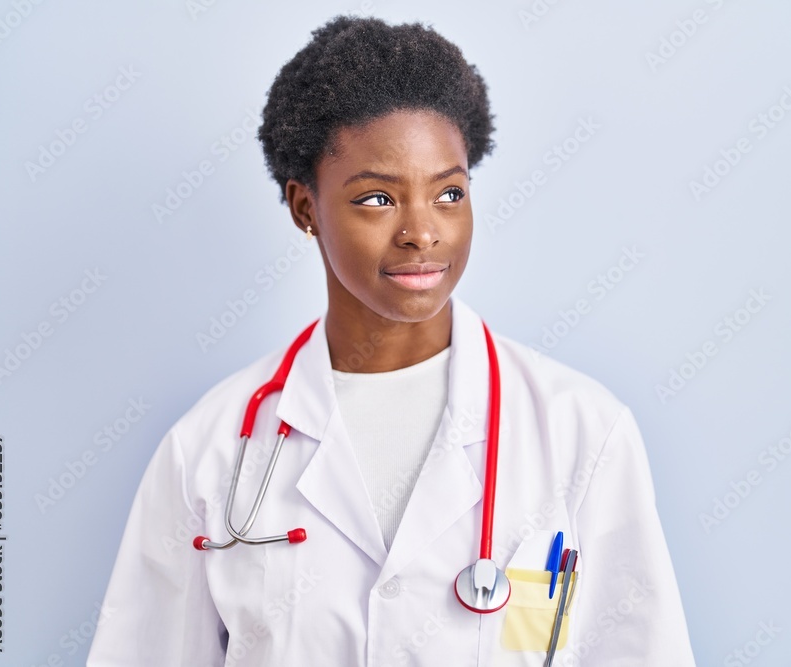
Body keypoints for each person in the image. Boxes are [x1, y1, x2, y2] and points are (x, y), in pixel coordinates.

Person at [87, 14, 696, 666]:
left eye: (449, 193)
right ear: (305, 208)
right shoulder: (207, 450)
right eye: (377, 198)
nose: (422, 232)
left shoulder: (582, 430)